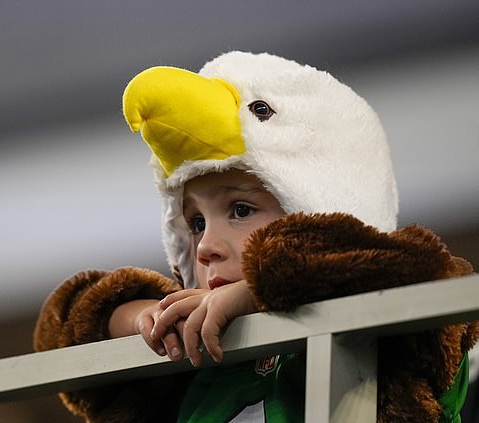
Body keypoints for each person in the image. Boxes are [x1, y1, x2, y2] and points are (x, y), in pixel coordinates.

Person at [34, 51, 477, 422]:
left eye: (241, 210)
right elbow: (61, 330)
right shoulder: (202, 355)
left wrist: (257, 291)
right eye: (196, 223)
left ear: (317, 207)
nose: (205, 246)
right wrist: (142, 318)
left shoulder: (390, 336)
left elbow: (415, 277)